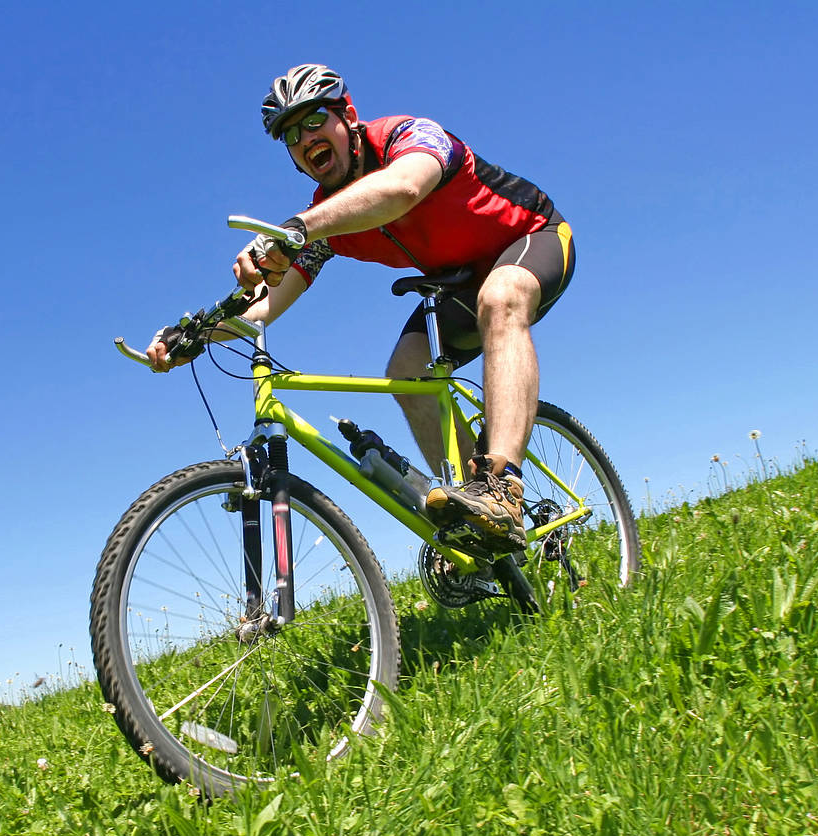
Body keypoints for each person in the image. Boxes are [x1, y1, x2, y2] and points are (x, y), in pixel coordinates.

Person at [147, 64, 575, 554]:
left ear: (347, 115)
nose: (305, 138)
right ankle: (476, 514)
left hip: (532, 238)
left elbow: (403, 189)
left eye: (313, 120)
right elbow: (264, 307)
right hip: (458, 282)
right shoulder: (327, 219)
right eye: (290, 134)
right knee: (406, 371)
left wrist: (297, 230)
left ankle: (502, 486)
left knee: (500, 298)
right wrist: (196, 338)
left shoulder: (407, 136)